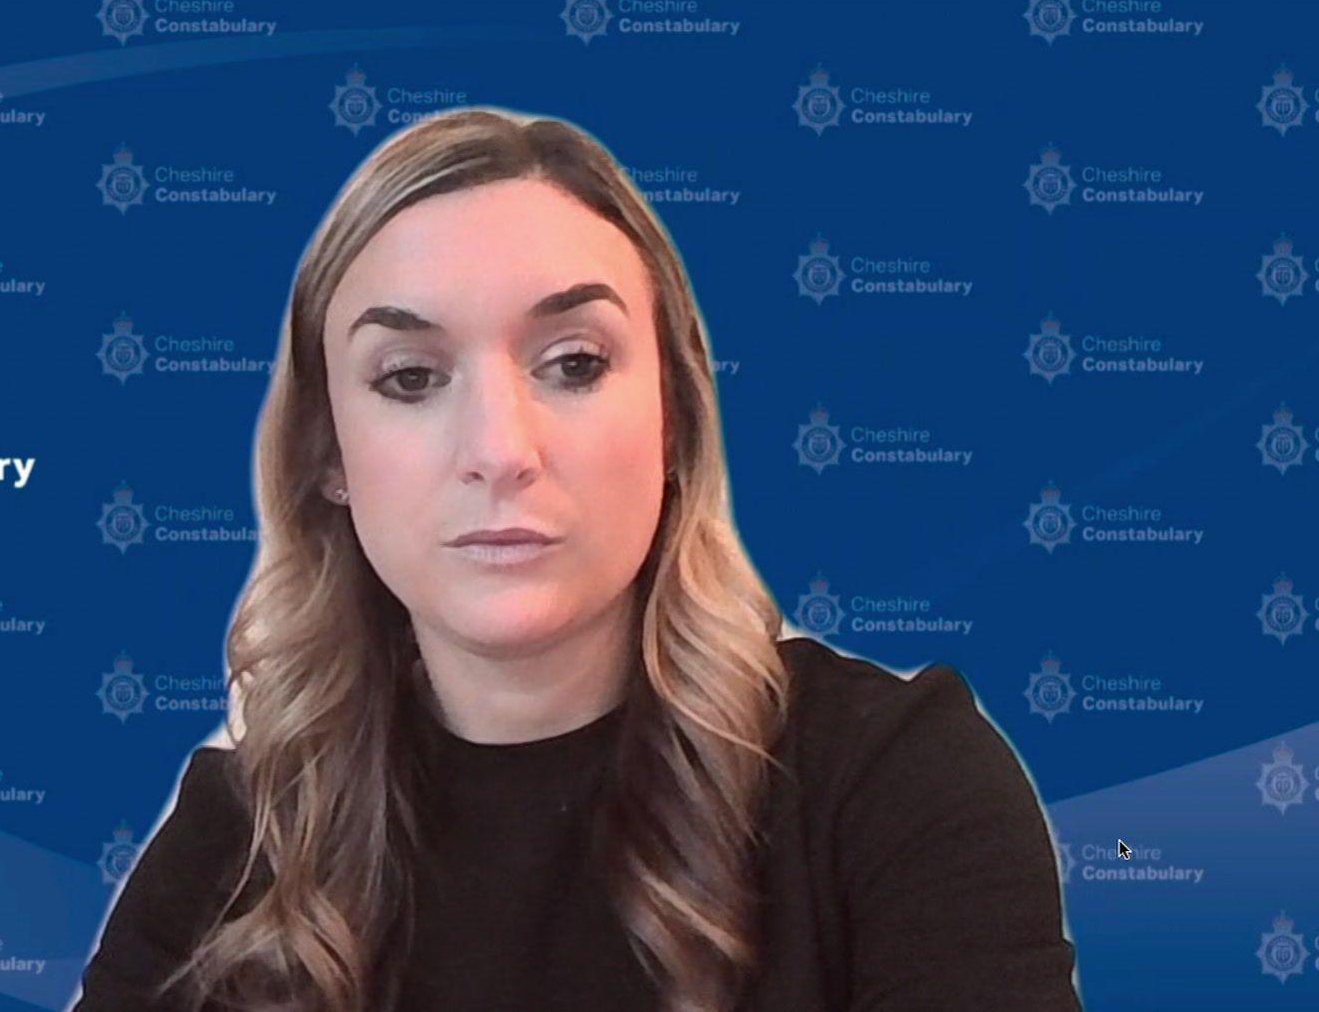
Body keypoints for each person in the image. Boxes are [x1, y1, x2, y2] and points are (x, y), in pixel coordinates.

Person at [72, 107, 1081, 1011]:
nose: (501, 451)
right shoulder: (234, 846)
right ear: (328, 456)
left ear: (675, 422)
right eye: (412, 377)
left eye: (575, 364)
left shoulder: (891, 788)